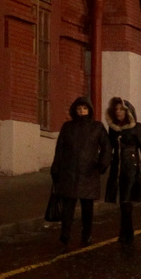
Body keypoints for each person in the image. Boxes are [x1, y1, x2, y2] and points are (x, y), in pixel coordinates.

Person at [50, 96, 110, 247]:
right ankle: (65, 234)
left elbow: (106, 147)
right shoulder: (68, 127)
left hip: (89, 172)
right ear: (74, 110)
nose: (81, 111)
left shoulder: (97, 127)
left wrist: (102, 164)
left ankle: (87, 234)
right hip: (69, 172)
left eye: (84, 108)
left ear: (89, 110)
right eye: (78, 109)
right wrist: (56, 168)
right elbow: (60, 149)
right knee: (68, 206)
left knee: (87, 208)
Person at [105, 97, 141, 245]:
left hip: (131, 168)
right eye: (116, 109)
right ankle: (126, 231)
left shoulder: (135, 128)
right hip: (117, 168)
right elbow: (109, 148)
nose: (118, 112)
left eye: (121, 109)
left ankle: (127, 232)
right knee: (122, 201)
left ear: (127, 111)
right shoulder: (112, 129)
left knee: (126, 200)